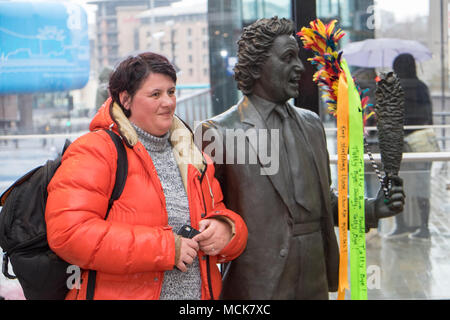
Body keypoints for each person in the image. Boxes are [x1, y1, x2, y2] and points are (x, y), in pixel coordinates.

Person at [195, 17, 404, 299]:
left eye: (299, 57)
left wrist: (372, 209)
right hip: (257, 286)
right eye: (288, 58)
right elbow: (206, 213)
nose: (299, 67)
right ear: (256, 66)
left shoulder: (312, 124)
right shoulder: (217, 132)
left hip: (315, 280)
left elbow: (323, 201)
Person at [45, 52, 248, 300]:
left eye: (171, 92)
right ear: (126, 99)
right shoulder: (96, 151)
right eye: (155, 94)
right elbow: (69, 233)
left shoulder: (193, 157)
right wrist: (165, 249)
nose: (168, 102)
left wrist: (226, 230)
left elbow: (219, 213)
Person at [385, 53, 434, 240]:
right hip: (421, 142)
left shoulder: (393, 87)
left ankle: (401, 225)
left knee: (396, 184)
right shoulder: (422, 87)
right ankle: (424, 227)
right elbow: (429, 117)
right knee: (423, 187)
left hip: (399, 144)